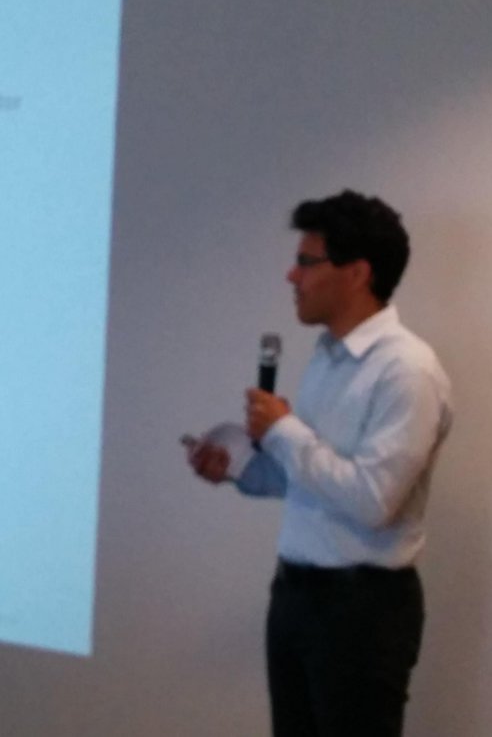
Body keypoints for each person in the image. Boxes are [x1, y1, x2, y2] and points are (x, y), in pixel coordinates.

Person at [188, 189, 452, 737]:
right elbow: (309, 478)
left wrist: (283, 430)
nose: (292, 276)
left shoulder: (406, 370)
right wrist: (237, 466)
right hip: (294, 597)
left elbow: (373, 501)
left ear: (357, 273)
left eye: (307, 262)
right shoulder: (328, 359)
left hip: (363, 612)